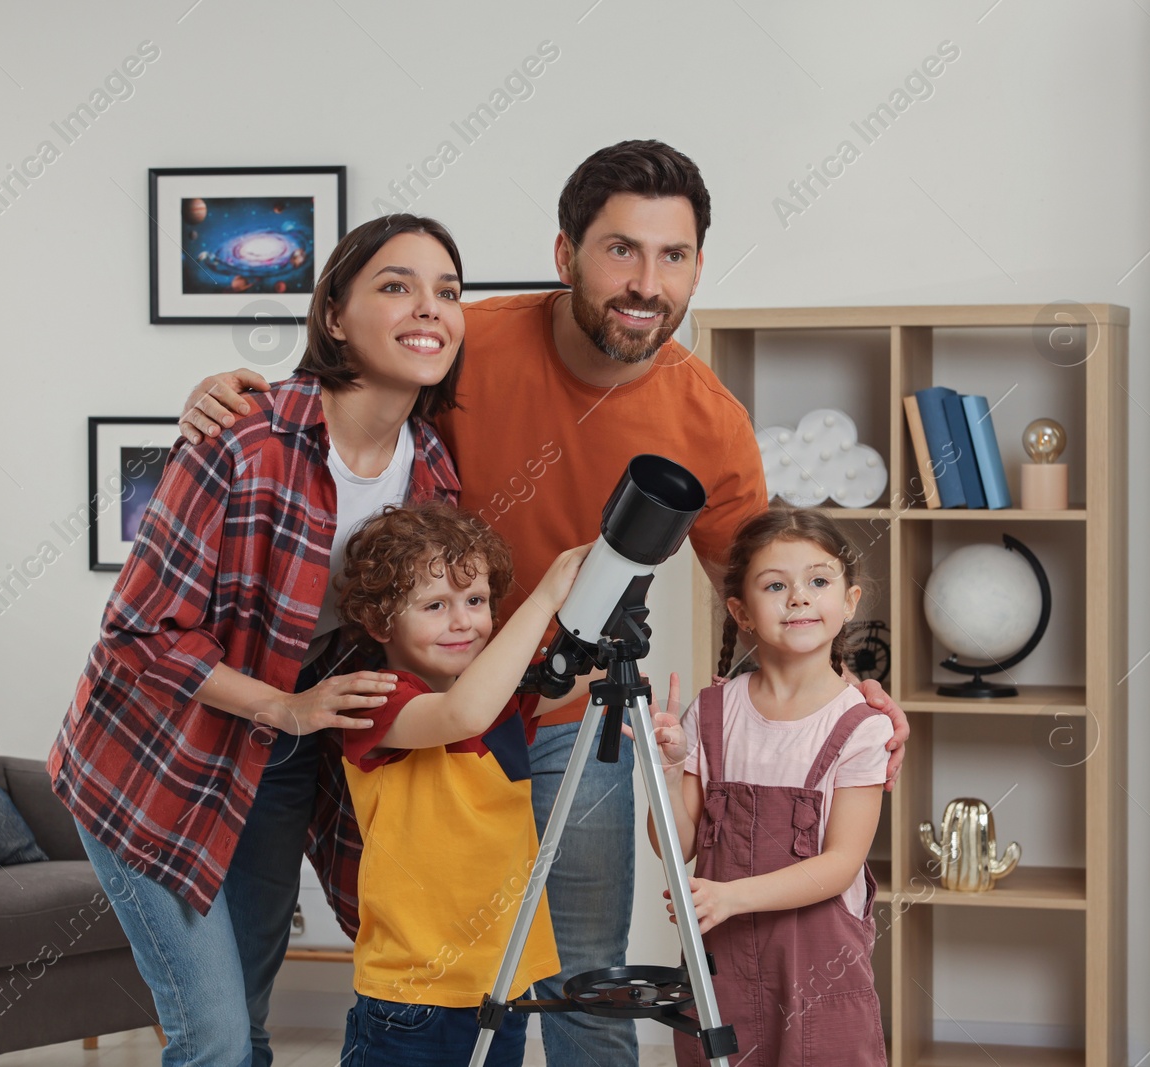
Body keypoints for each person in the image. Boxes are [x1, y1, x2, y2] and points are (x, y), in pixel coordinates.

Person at [178, 140, 910, 1066]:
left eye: (674, 256)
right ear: (565, 255)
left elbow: (767, 588)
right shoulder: (467, 346)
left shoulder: (707, 418)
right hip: (416, 707)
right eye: (621, 251)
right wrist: (229, 392)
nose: (647, 282)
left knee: (584, 973)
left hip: (572, 712)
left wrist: (851, 687)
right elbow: (340, 399)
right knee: (424, 964)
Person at [50, 214, 471, 1067]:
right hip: (154, 761)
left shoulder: (431, 469)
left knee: (248, 1018)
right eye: (396, 285)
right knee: (214, 1039)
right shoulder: (245, 437)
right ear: (334, 317)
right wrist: (285, 702)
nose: (429, 307)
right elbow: (136, 631)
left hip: (280, 760)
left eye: (448, 292)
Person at [333, 502, 590, 1066]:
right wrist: (545, 599)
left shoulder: (499, 700)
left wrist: (607, 587)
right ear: (380, 623)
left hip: (500, 982)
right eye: (435, 605)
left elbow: (586, 673)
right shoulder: (375, 700)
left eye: (475, 601)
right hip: (413, 991)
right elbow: (459, 716)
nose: (463, 621)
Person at [643, 508, 890, 1066]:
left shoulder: (861, 726)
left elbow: (841, 865)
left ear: (849, 601)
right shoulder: (710, 713)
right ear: (741, 612)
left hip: (819, 977)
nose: (799, 597)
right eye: (776, 585)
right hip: (721, 971)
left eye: (819, 582)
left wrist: (732, 897)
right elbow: (675, 847)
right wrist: (664, 768)